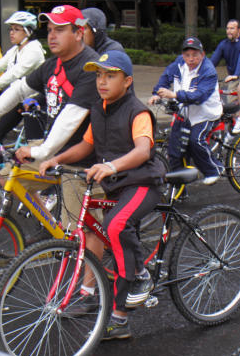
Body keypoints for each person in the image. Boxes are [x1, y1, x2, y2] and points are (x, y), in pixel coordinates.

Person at [39, 50, 165, 340]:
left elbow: (143, 150)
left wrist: (111, 165)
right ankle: (121, 303)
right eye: (98, 75)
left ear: (128, 80)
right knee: (104, 233)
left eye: (110, 75)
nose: (102, 81)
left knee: (117, 226)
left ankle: (137, 284)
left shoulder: (138, 111)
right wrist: (57, 159)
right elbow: (85, 146)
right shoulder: (100, 108)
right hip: (116, 183)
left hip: (142, 181)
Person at [0, 4, 100, 229]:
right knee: (9, 178)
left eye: (59, 30)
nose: (51, 36)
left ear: (79, 33)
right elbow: (20, 89)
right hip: (56, 151)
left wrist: (40, 151)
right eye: (49, 30)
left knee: (82, 235)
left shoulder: (89, 67)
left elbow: (71, 117)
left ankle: (80, 251)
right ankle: (53, 229)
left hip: (83, 160)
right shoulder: (53, 64)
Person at [149, 36, 224, 186]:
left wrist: (175, 95)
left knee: (195, 141)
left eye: (195, 55)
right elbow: (166, 77)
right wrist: (156, 93)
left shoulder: (208, 71)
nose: (191, 59)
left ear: (202, 55)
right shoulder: (179, 63)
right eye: (187, 55)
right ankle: (178, 187)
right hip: (185, 112)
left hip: (205, 114)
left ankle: (214, 170)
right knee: (175, 148)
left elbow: (199, 96)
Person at [209, 19, 240, 131]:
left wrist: (236, 74)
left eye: (232, 28)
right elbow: (213, 61)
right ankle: (233, 127)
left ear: (239, 30)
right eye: (227, 28)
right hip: (233, 77)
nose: (229, 31)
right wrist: (202, 73)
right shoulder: (223, 45)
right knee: (231, 109)